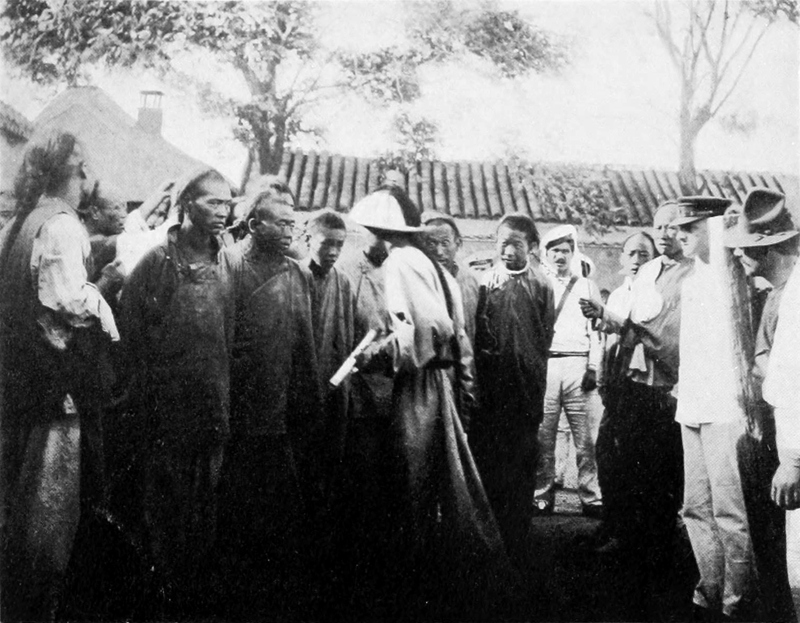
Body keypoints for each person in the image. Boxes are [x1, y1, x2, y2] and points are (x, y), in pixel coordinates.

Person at [350, 186, 517, 620]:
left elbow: (427, 328)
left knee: (417, 474)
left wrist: (381, 353)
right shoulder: (427, 262)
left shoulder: (401, 262)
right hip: (440, 375)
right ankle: (442, 569)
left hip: (423, 380)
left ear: (380, 229)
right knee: (442, 471)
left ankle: (427, 576)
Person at [0, 130, 119, 622]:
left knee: (19, 508)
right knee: (49, 523)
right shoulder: (63, 225)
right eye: (85, 165)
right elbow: (71, 302)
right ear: (77, 171)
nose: (91, 175)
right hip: (56, 391)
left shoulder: (25, 220)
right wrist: (107, 292)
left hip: (22, 385)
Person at [119, 166, 234, 618]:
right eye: (213, 202)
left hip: (213, 413)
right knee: (163, 521)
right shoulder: (156, 263)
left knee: (203, 521)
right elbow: (130, 339)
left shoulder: (229, 263)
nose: (224, 212)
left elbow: (230, 336)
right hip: (165, 419)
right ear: (186, 204)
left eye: (228, 203)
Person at [217, 177, 324, 620]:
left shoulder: (299, 274)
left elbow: (305, 348)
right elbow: (220, 345)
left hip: (283, 415)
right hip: (238, 415)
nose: (288, 231)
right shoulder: (230, 266)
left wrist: (310, 405)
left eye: (292, 224)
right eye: (279, 223)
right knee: (236, 514)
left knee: (281, 519)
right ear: (253, 224)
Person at [672, 196, 758, 622]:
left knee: (730, 512)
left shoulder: (734, 279)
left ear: (710, 228)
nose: (680, 236)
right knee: (695, 507)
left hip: (725, 408)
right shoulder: (691, 281)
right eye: (679, 229)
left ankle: (737, 601)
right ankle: (709, 590)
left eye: (689, 228)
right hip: (691, 405)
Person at [724, 188, 797, 622]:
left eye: (745, 247)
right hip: (767, 432)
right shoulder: (775, 292)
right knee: (772, 553)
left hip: (789, 440)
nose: (738, 254)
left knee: (792, 560)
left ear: (769, 247)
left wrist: (794, 460)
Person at [471, 213, 554, 552]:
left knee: (522, 457)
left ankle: (518, 530)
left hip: (527, 387)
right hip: (492, 386)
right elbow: (478, 332)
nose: (508, 251)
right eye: (502, 244)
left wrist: (531, 369)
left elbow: (545, 334)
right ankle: (488, 531)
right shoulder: (486, 282)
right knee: (490, 456)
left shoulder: (542, 284)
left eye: (516, 245)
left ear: (532, 247)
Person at [534, 224, 603, 517]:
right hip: (548, 364)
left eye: (565, 251)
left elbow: (596, 331)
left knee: (586, 438)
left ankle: (591, 497)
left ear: (573, 253)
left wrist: (593, 367)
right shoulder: (539, 284)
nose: (560, 256)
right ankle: (542, 495)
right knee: (544, 435)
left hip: (579, 364)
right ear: (546, 254)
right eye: (554, 251)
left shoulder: (586, 286)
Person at [421, 211, 480, 345]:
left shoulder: (470, 281)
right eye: (431, 244)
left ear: (457, 244)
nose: (439, 252)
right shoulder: (419, 282)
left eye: (445, 243)